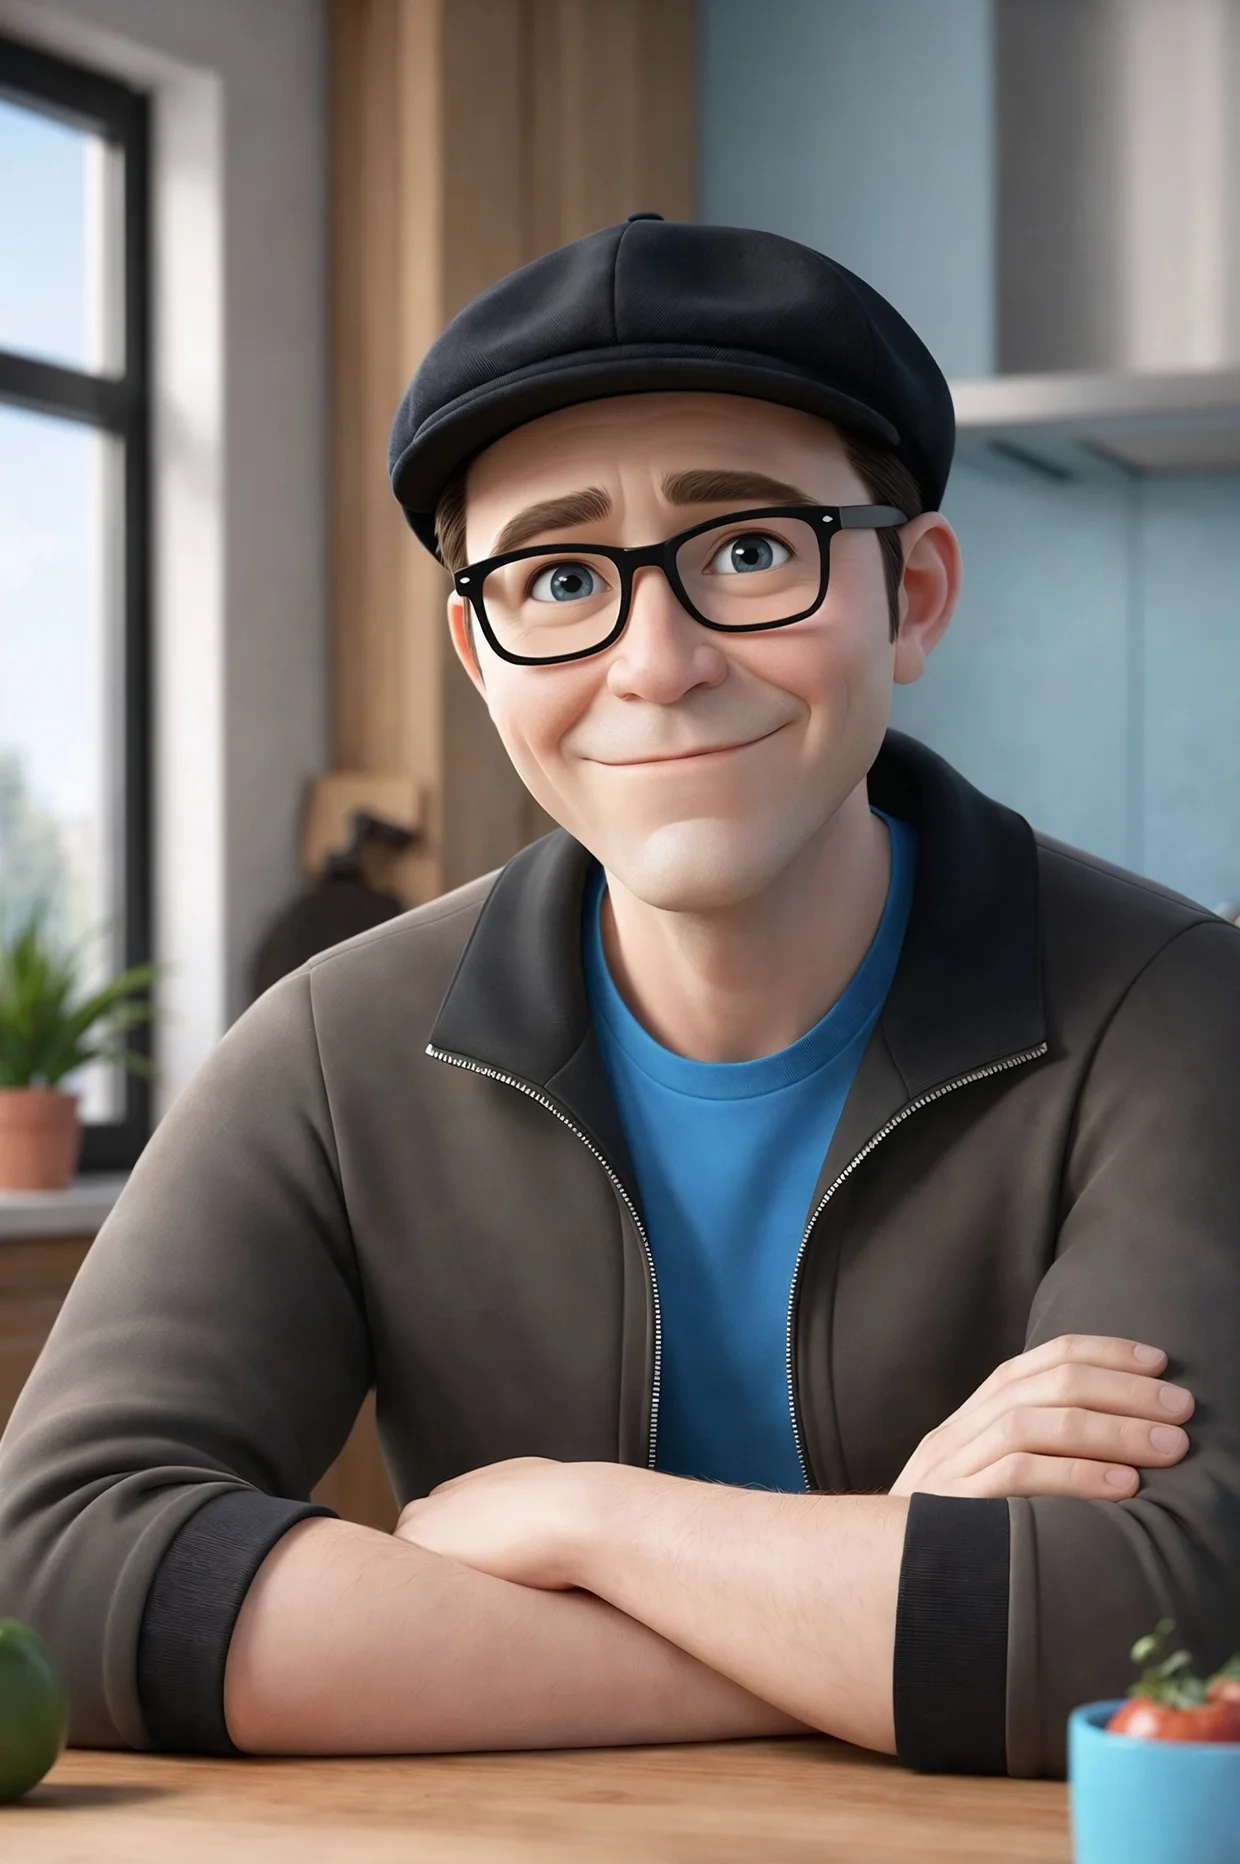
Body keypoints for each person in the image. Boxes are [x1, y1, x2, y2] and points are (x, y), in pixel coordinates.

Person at [2, 216, 1238, 1780]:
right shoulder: (331, 1050)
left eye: (746, 551)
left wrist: (581, 1521)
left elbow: (1161, 1630)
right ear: (479, 651)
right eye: (562, 575)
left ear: (912, 595)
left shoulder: (1175, 1013)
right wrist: (851, 1585)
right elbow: (60, 1574)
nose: (655, 662)